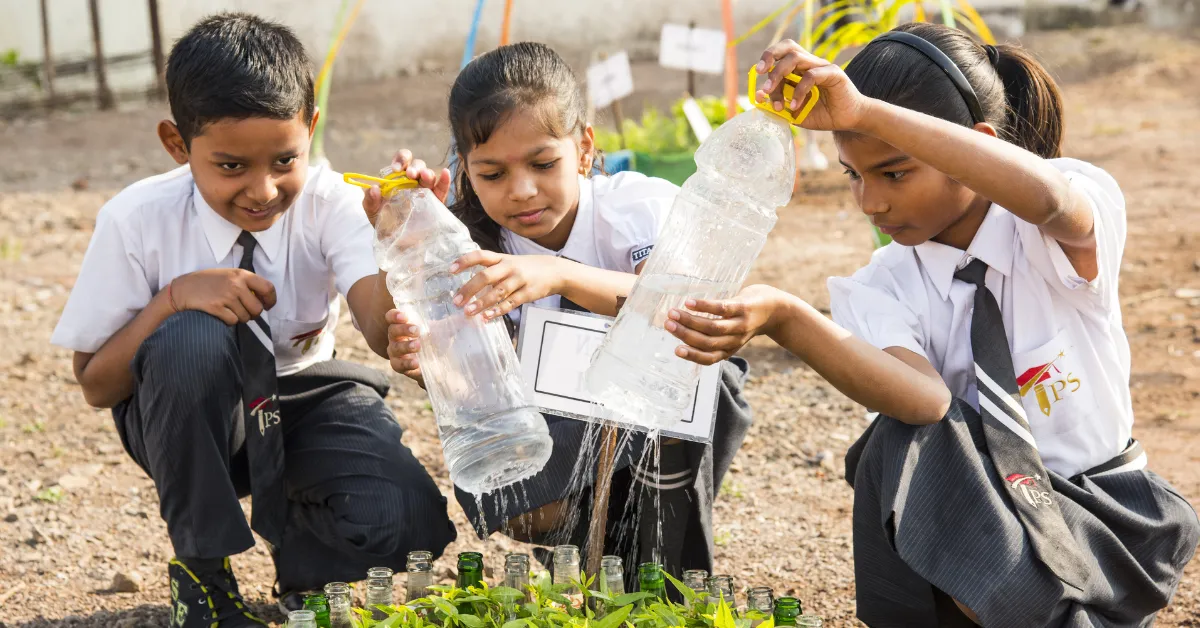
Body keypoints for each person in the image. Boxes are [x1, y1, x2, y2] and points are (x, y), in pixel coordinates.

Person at [664, 23, 1199, 626]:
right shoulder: (882, 284)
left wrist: (866, 110)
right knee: (892, 442)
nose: (871, 203)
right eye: (854, 175)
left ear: (972, 149)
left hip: (1105, 520)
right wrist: (787, 318)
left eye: (894, 173)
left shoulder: (1059, 224)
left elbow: (1051, 200)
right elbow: (924, 402)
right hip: (997, 531)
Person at [49, 13, 455, 627]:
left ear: (311, 131)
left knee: (407, 519)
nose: (263, 190)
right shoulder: (136, 220)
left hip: (304, 399)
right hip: (189, 416)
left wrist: (404, 241)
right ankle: (203, 572)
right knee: (192, 338)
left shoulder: (333, 205)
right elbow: (96, 385)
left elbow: (377, 328)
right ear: (177, 145)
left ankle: (308, 567)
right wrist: (173, 299)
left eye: (284, 160)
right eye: (231, 166)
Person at [374, 42, 752, 587]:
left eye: (543, 163)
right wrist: (426, 355)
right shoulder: (464, 246)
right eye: (492, 173)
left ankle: (664, 591)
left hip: (655, 406)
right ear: (464, 168)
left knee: (696, 390)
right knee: (546, 503)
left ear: (583, 147)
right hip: (553, 425)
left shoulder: (639, 209)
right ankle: (596, 561)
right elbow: (469, 384)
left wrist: (562, 276)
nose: (522, 190)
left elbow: (690, 312)